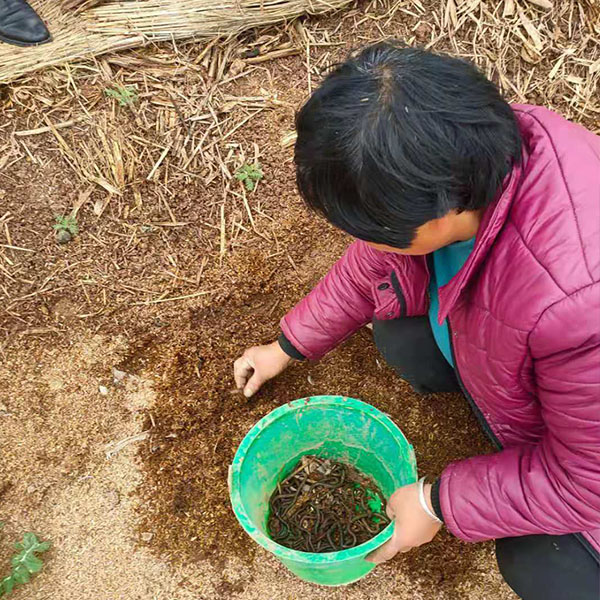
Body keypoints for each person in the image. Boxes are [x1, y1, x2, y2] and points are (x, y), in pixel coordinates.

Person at [233, 41, 600, 599]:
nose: (363, 240)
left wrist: (434, 502)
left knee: (539, 562)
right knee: (399, 333)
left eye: (377, 227)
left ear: (445, 206)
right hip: (524, 354)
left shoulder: (580, 301)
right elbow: (371, 263)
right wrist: (284, 347)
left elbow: (588, 484)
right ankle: (496, 410)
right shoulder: (460, 150)